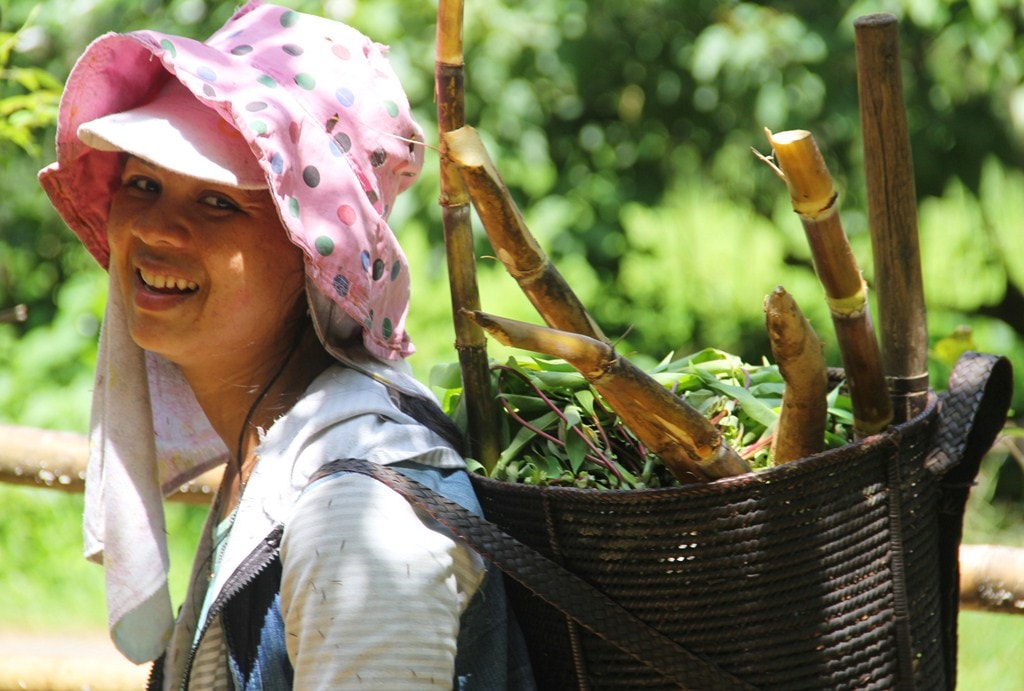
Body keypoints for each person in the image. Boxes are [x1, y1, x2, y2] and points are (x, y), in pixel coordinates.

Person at [39, 2, 533, 688]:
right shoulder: (273, 451)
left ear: (312, 256)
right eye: (144, 183)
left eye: (218, 202)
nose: (157, 230)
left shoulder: (360, 517)